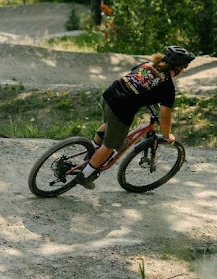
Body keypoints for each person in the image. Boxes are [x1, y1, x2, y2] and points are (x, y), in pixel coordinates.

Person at [74, 45, 196, 190]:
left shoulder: (147, 65)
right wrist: (167, 135)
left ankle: (92, 151)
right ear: (178, 68)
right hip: (121, 107)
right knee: (110, 145)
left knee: (110, 123)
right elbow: (164, 116)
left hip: (109, 95)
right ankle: (84, 175)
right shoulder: (167, 87)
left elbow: (135, 79)